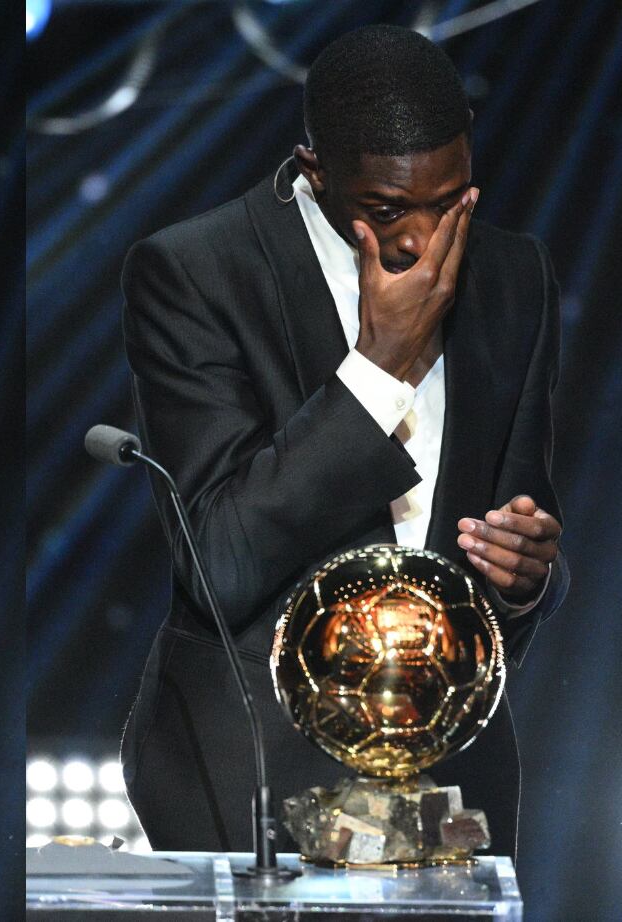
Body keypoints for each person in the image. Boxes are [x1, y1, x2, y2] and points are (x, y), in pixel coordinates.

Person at [118, 24, 569, 857]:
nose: (423, 240)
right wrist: (380, 368)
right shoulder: (197, 272)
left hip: (449, 779)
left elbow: (517, 520)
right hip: (251, 772)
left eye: (453, 202)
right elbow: (217, 558)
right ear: (316, 167)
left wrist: (524, 579)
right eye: (389, 209)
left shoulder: (515, 278)